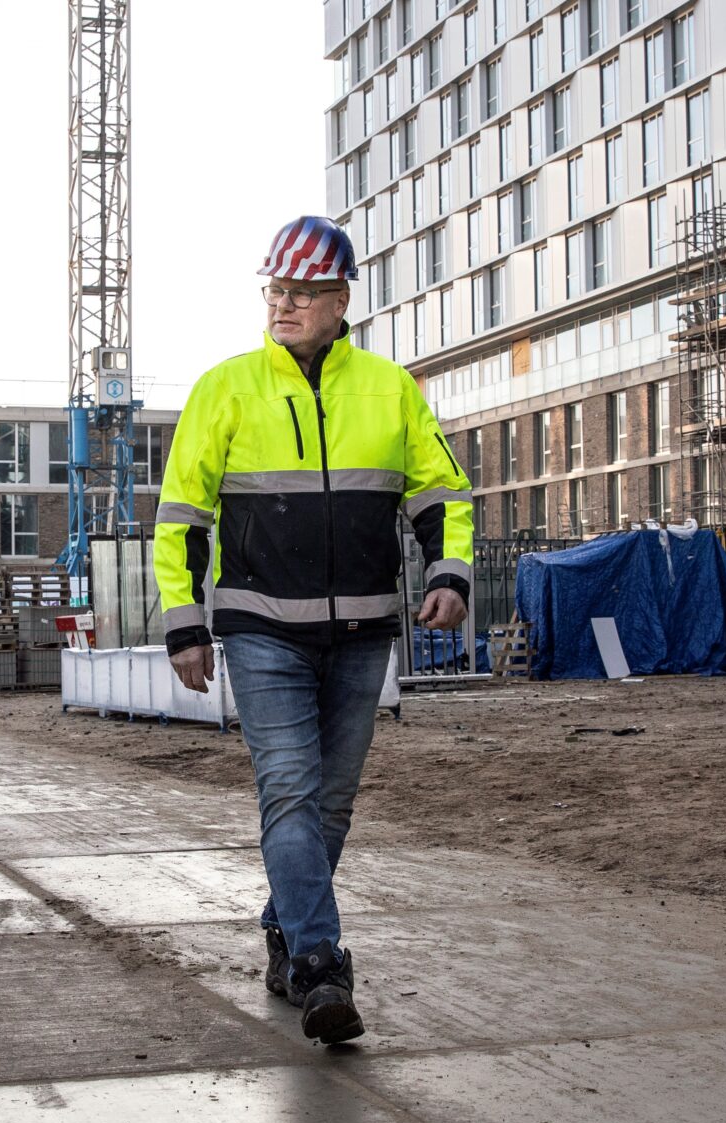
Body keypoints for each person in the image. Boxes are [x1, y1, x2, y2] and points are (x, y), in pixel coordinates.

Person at [153, 217, 472, 1045]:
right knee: (291, 789)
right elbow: (181, 516)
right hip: (262, 629)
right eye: (276, 290)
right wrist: (185, 625)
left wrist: (449, 573)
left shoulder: (390, 388)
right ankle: (321, 964)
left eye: (302, 292)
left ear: (340, 300)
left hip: (364, 630)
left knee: (331, 802)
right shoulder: (225, 388)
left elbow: (440, 491)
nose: (284, 304)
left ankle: (284, 927)